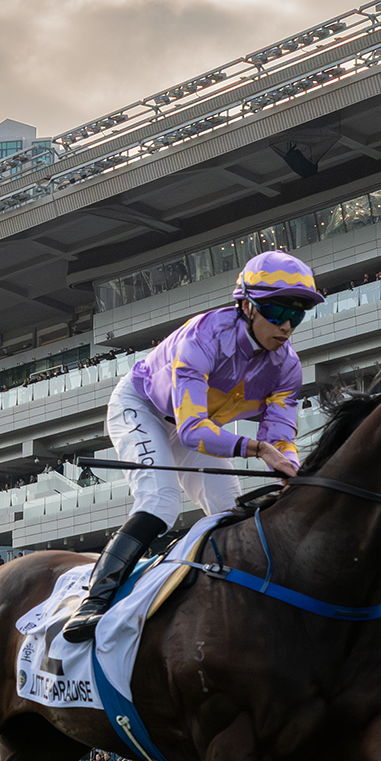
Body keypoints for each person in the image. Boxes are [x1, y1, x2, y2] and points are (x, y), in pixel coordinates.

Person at [61, 251, 321, 642]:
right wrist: (257, 450)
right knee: (160, 502)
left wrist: (290, 469)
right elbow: (192, 432)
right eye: (278, 311)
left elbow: (280, 438)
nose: (287, 325)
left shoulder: (287, 367)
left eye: (297, 315)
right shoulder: (205, 335)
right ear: (248, 306)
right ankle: (94, 602)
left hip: (199, 425)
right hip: (143, 407)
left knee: (231, 515)